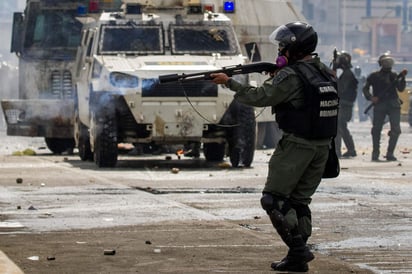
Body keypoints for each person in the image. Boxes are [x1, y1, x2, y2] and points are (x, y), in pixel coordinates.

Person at [210, 22, 338, 272]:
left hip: (296, 147)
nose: (279, 51)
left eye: (282, 46)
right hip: (322, 147)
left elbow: (259, 97)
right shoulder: (323, 71)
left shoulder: (291, 75)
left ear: (294, 48)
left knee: (274, 200)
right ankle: (297, 258)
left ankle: (299, 251)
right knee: (299, 202)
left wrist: (229, 82)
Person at [362, 53, 406, 161]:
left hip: (393, 103)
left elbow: (400, 89)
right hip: (380, 104)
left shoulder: (395, 75)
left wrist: (402, 78)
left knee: (395, 130)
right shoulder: (374, 76)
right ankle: (375, 152)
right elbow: (365, 89)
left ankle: (390, 153)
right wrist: (371, 98)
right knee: (376, 129)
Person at [332, 51, 358, 158]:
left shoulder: (347, 75)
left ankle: (337, 151)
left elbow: (340, 89)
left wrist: (333, 74)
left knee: (338, 127)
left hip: (344, 105)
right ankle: (351, 150)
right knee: (342, 127)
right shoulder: (346, 74)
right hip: (345, 104)